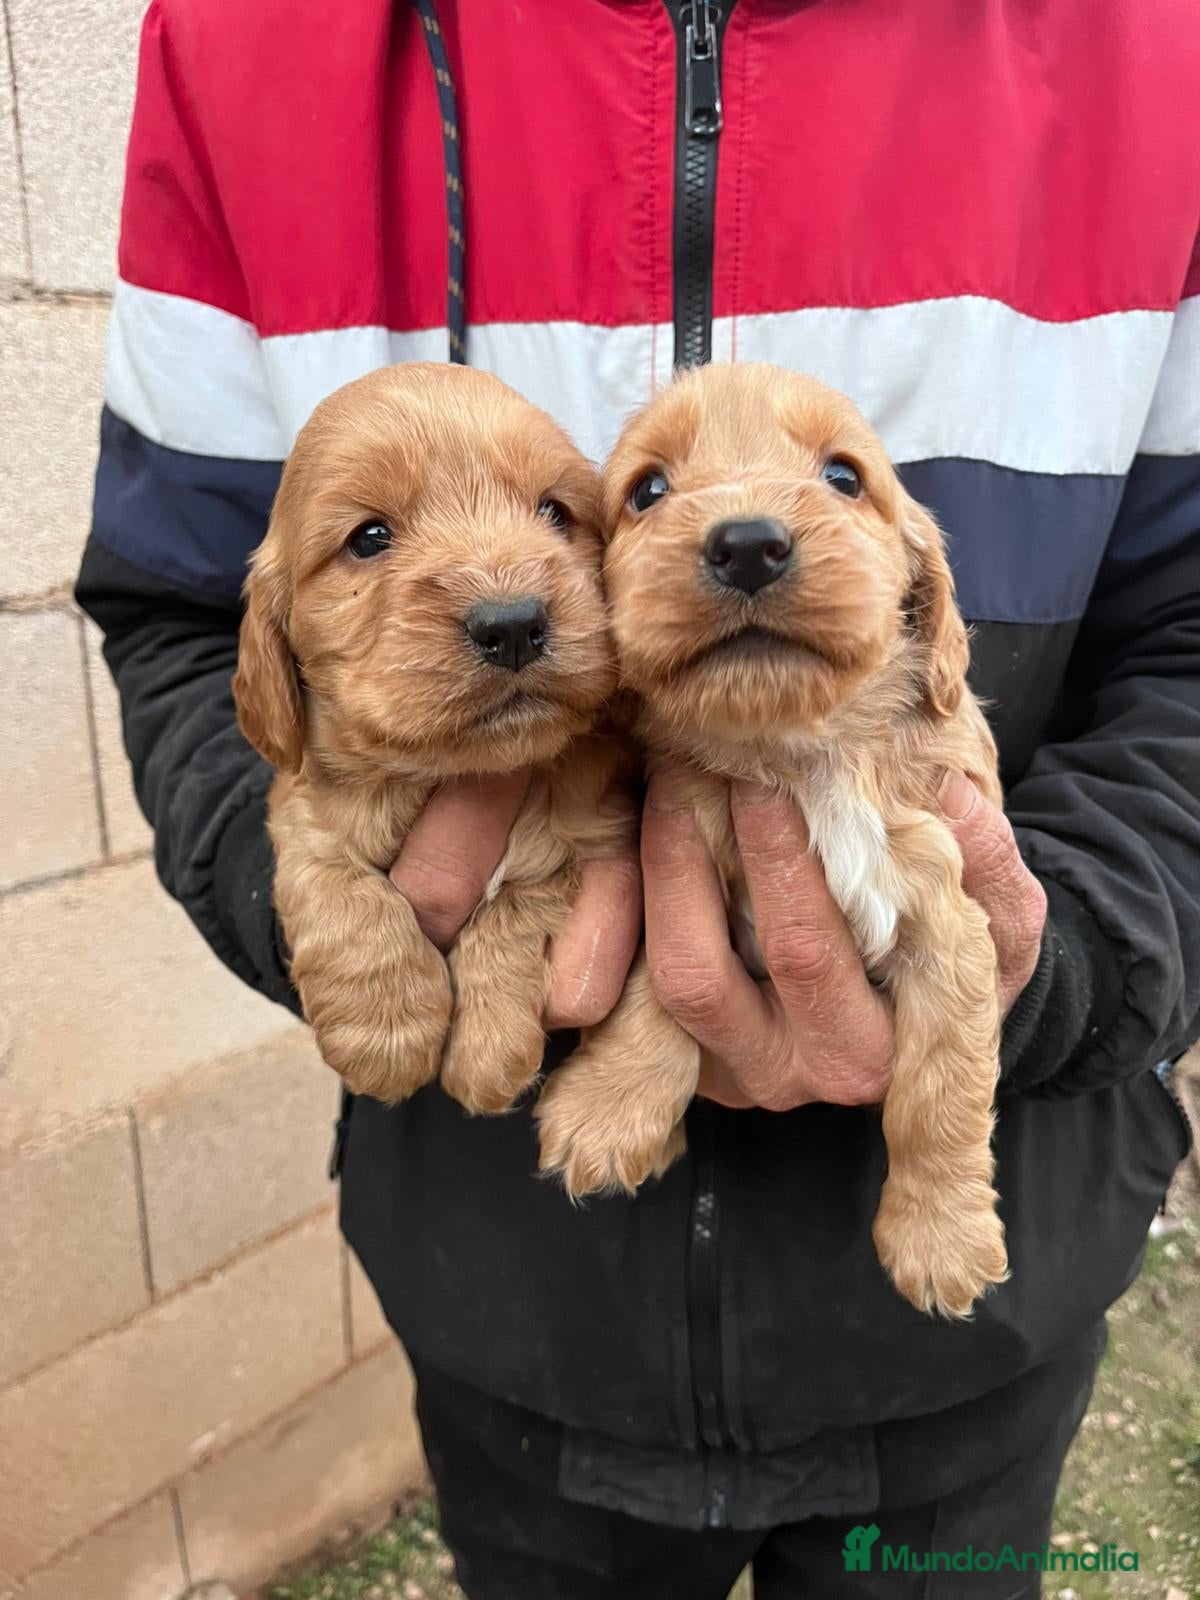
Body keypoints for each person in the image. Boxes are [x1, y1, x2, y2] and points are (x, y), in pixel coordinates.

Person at [78, 3, 1199, 1595]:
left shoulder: (1159, 45)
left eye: (557, 512)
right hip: (504, 1300)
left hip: (983, 1330)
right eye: (644, 497)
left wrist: (1068, 956)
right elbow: (189, 618)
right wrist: (370, 919)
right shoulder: (245, 40)